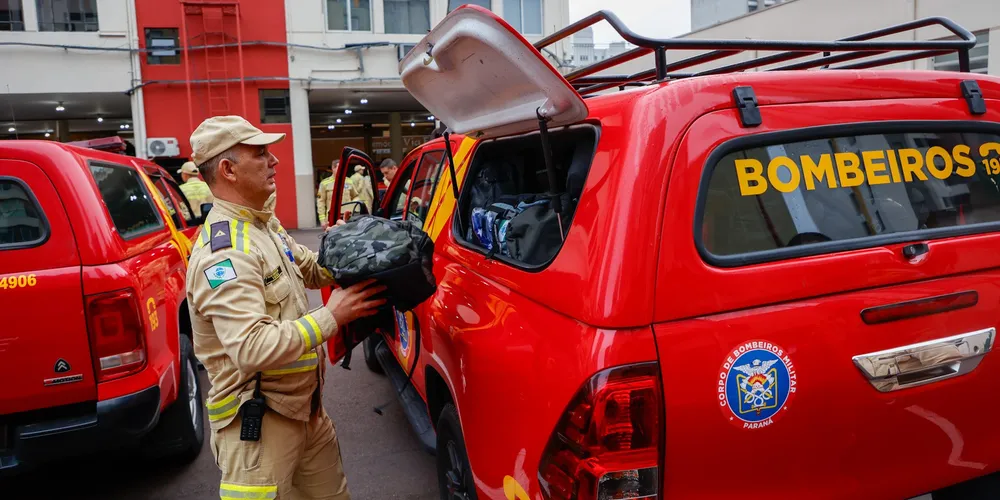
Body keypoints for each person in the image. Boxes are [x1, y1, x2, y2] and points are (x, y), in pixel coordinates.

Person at [184, 115, 386, 500]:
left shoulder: (266, 226)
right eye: (260, 153)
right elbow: (252, 347)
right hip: (259, 429)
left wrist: (351, 246)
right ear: (228, 170)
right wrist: (332, 316)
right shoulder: (224, 255)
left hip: (307, 412)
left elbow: (312, 269)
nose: (274, 160)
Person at [316, 160, 356, 227]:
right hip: (332, 218)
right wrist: (322, 220)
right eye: (339, 167)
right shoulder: (324, 183)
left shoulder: (349, 181)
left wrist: (354, 211)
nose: (341, 170)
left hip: (347, 218)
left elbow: (355, 196)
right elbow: (321, 202)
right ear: (333, 168)